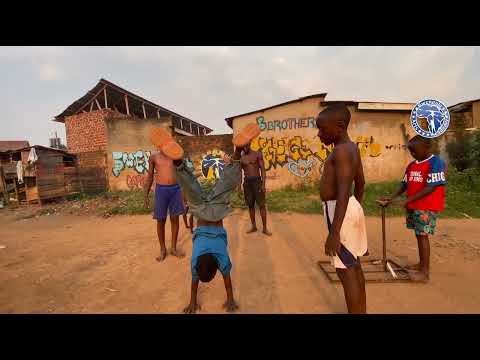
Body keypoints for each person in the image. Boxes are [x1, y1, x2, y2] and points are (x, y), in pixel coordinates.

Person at [150, 123, 261, 314]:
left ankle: (236, 152)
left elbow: (226, 282)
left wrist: (230, 300)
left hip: (216, 212)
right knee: (191, 188)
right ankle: (179, 164)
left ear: (216, 266)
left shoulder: (221, 260)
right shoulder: (195, 261)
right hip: (200, 212)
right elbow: (194, 284)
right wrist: (192, 302)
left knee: (225, 184)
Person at [316, 104, 368, 314]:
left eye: (322, 129)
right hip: (350, 208)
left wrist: (335, 231)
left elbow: (344, 189)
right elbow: (361, 182)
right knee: (354, 267)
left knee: (346, 272)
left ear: (339, 127)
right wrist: (356, 208)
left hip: (339, 210)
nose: (319, 134)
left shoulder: (340, 152)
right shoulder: (352, 148)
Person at [377, 135, 446, 282]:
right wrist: (392, 197)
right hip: (414, 206)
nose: (412, 154)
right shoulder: (412, 165)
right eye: (411, 152)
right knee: (418, 234)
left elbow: (431, 187)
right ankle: (421, 264)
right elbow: (404, 184)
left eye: (415, 151)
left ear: (427, 148)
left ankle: (424, 272)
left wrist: (407, 200)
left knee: (422, 236)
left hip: (426, 207)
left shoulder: (435, 163)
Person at [144, 128, 186, 262]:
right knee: (160, 220)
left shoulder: (175, 156)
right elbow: (150, 176)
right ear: (158, 143)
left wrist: (185, 196)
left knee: (175, 218)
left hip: (175, 189)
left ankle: (173, 248)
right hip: (161, 190)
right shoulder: (153, 157)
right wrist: (145, 195)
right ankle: (163, 249)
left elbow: (183, 175)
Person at [240, 137, 272, 236]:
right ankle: (253, 226)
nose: (244, 147)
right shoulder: (242, 158)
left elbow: (262, 169)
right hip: (247, 183)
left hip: (257, 182)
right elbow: (239, 172)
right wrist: (239, 185)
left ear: (249, 144)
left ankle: (265, 228)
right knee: (250, 205)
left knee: (262, 205)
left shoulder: (257, 154)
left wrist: (263, 184)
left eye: (246, 145)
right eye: (243, 146)